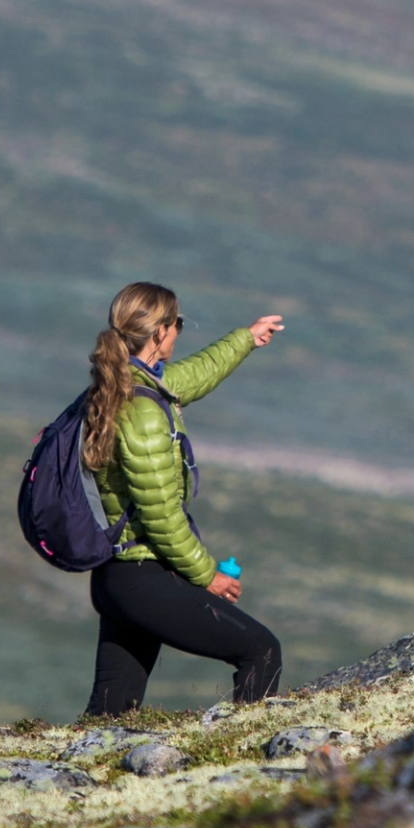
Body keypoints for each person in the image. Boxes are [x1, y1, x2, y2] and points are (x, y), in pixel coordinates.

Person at [79, 280, 288, 715]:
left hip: (119, 576)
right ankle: (240, 767)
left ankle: (68, 784)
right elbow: (161, 516)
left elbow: (193, 375)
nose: (179, 331)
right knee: (260, 652)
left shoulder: (128, 387)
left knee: (112, 711)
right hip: (141, 578)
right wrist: (207, 575)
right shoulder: (143, 413)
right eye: (178, 324)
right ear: (159, 332)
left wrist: (245, 339)